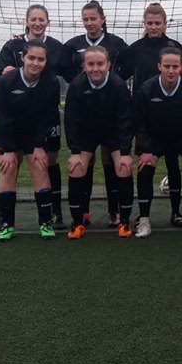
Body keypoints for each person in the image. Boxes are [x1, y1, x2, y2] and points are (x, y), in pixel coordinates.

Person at [116, 3, 182, 228]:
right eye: (150, 23)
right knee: (145, 164)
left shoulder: (175, 46)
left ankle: (176, 211)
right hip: (145, 117)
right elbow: (119, 76)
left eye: (158, 23)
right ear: (145, 24)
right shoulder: (135, 49)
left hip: (173, 115)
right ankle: (143, 214)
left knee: (173, 165)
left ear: (165, 24)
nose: (154, 27)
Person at [0, 4, 65, 227]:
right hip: (15, 116)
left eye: (41, 19)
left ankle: (54, 211)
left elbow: (70, 71)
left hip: (44, 115)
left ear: (47, 22)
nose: (37, 23)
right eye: (33, 19)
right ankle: (3, 216)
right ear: (27, 21)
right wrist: (5, 72)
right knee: (10, 162)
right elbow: (0, 74)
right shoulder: (12, 45)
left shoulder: (56, 47)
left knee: (48, 160)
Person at [60, 0, 129, 226]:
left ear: (102, 19)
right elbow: (60, 64)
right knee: (82, 163)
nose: (89, 22)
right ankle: (83, 212)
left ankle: (115, 211)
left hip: (111, 122)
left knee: (114, 163)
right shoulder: (73, 46)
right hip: (87, 123)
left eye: (93, 18)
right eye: (86, 19)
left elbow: (128, 65)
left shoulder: (117, 44)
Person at [0, 40, 62, 241]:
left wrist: (38, 145)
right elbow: (3, 116)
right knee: (9, 167)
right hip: (6, 129)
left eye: (41, 59)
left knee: (39, 165)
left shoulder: (51, 82)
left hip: (33, 130)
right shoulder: (7, 80)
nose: (35, 63)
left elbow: (48, 117)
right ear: (23, 57)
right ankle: (6, 224)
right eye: (31, 58)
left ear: (46, 61)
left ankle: (45, 222)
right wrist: (8, 149)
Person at [132, 47, 182, 237]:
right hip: (156, 137)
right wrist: (146, 149)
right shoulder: (147, 88)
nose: (171, 71)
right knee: (145, 169)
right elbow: (139, 121)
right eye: (167, 66)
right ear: (159, 66)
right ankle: (144, 220)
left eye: (175, 66)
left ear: (181, 67)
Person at [63, 46, 135, 239]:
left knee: (124, 167)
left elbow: (125, 120)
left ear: (108, 65)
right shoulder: (77, 86)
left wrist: (125, 152)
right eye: (91, 64)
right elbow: (71, 121)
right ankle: (78, 223)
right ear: (84, 66)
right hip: (87, 134)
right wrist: (75, 152)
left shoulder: (118, 86)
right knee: (76, 167)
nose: (96, 68)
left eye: (100, 64)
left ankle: (124, 222)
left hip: (113, 133)